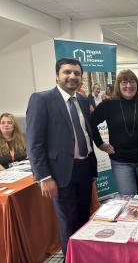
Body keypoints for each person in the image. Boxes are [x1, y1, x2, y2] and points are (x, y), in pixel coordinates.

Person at [26, 57, 98, 258]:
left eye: (76, 73)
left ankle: (84, 258)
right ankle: (71, 259)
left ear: (81, 78)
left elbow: (86, 134)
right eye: (67, 72)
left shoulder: (83, 100)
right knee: (68, 223)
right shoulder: (41, 99)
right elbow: (34, 143)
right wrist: (44, 177)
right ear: (57, 75)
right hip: (59, 174)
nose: (72, 76)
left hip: (84, 170)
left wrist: (92, 167)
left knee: (84, 218)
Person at [90, 70, 138, 195]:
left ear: (137, 84)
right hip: (121, 163)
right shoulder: (108, 105)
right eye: (124, 82)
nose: (129, 86)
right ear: (118, 86)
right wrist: (100, 144)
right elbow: (91, 123)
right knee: (128, 201)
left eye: (132, 82)